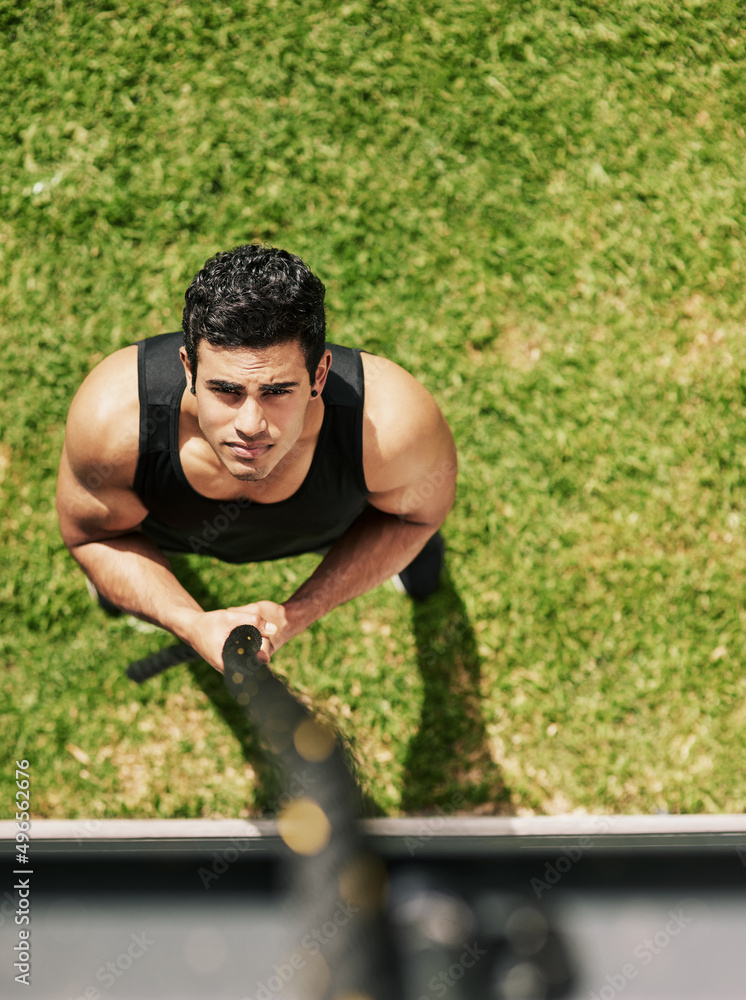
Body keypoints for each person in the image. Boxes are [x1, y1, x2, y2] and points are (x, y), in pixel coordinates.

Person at [56, 244, 457, 671]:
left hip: (336, 525)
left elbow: (416, 517)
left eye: (277, 391)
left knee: (413, 542)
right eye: (225, 390)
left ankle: (411, 567)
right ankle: (133, 586)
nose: (250, 424)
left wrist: (297, 613)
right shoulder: (113, 421)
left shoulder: (392, 426)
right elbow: (94, 536)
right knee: (117, 561)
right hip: (169, 528)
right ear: (189, 369)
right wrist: (188, 621)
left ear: (318, 374)